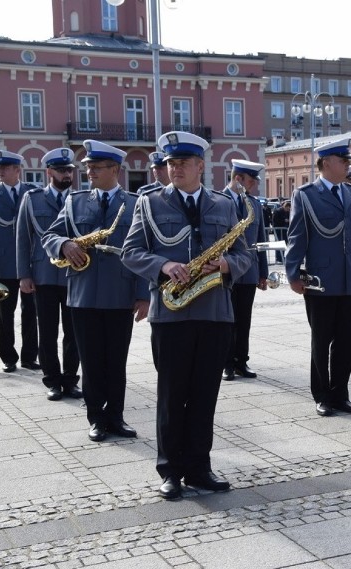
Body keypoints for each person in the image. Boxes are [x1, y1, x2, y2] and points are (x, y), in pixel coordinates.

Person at [122, 131, 252, 500]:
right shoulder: (148, 204)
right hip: (171, 314)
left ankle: (199, 466)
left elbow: (245, 255)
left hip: (214, 312)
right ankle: (170, 471)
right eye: (169, 163)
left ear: (200, 166)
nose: (174, 169)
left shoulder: (225, 205)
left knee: (204, 394)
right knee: (171, 394)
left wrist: (226, 263)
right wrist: (163, 265)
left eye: (182, 163)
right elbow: (130, 252)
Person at [42, 140, 149, 442]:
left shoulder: (135, 202)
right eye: (87, 167)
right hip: (83, 294)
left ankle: (116, 416)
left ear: (115, 169)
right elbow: (50, 234)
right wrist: (64, 244)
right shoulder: (75, 201)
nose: (88, 172)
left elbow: (144, 249)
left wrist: (144, 294)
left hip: (121, 293)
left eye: (96, 167)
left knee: (116, 361)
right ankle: (96, 418)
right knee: (90, 361)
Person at [285, 137, 351, 417]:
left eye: (348, 160)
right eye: (343, 160)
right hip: (320, 281)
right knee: (321, 340)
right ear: (326, 164)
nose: (348, 165)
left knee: (344, 341)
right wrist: (292, 273)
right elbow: (297, 237)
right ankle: (322, 394)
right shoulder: (306, 195)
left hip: (349, 280)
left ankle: (340, 393)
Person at [16, 148, 81, 401]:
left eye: (70, 170)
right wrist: (24, 275)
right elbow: (23, 239)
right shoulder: (32, 199)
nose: (67, 175)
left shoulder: (80, 199)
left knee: (74, 332)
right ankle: (52, 380)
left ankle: (70, 379)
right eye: (62, 170)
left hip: (74, 275)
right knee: (48, 331)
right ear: (49, 172)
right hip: (43, 275)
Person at [0, 151, 39, 373]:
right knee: (7, 312)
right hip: (4, 264)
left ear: (17, 170)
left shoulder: (32, 192)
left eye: (5, 168)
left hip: (30, 264)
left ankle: (30, 356)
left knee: (31, 311)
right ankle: (8, 357)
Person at [221, 159, 269, 381]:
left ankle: (241, 361)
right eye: (251, 181)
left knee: (244, 319)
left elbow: (261, 239)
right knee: (226, 319)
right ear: (238, 179)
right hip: (225, 269)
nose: (254, 186)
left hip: (249, 270)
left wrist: (263, 273)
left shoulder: (254, 204)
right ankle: (226, 363)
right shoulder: (218, 200)